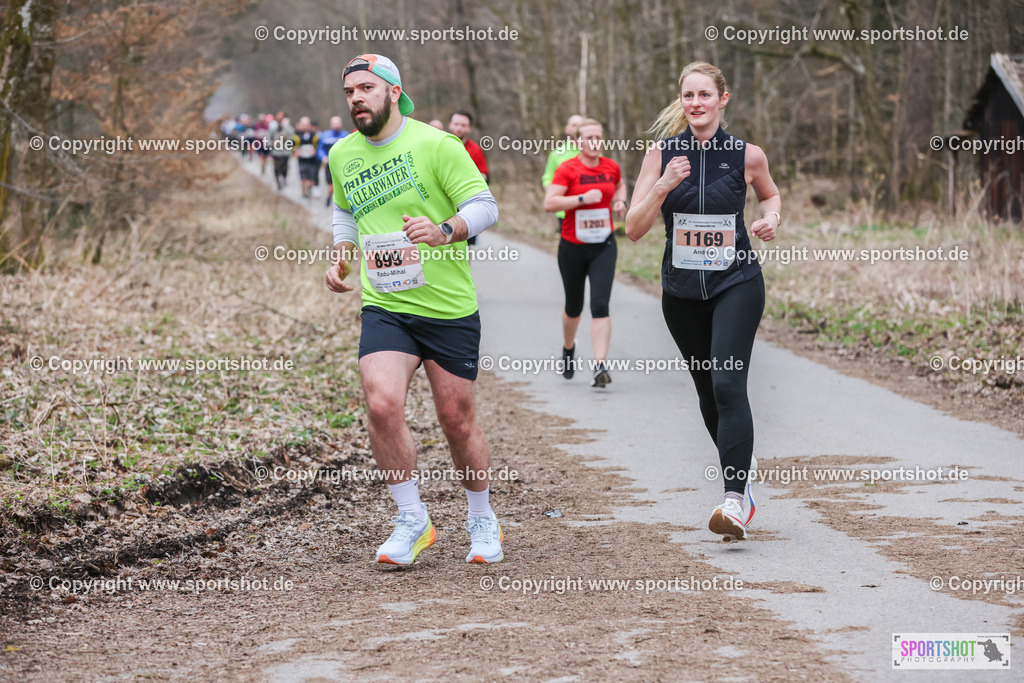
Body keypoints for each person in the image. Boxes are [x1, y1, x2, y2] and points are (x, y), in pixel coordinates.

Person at [325, 54, 503, 565]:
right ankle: (412, 519)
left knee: (456, 418)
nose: (356, 98)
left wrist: (444, 230)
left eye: (365, 88)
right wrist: (341, 256)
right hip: (386, 305)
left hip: (447, 306)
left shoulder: (436, 144)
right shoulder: (342, 154)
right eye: (349, 91)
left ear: (392, 90)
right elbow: (344, 208)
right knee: (381, 403)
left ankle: (481, 517)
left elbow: (485, 205)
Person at [625, 61, 780, 541]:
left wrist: (771, 220)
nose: (696, 103)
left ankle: (734, 501)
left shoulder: (747, 155)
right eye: (688, 95)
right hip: (682, 292)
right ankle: (742, 468)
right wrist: (663, 184)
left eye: (705, 95)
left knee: (729, 384)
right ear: (681, 101)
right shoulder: (661, 154)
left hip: (737, 281)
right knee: (708, 391)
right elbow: (633, 229)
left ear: (722, 99)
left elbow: (771, 196)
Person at [543, 119, 626, 388]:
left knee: (600, 304)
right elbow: (550, 202)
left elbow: (620, 184)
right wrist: (581, 199)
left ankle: (600, 365)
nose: (594, 142)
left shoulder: (610, 166)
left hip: (604, 244)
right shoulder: (568, 169)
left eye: (598, 137)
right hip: (572, 247)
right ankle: (568, 348)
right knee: (574, 305)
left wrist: (620, 201)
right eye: (588, 137)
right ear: (577, 142)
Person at [447, 110, 489, 245]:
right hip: (444, 201)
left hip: (466, 203)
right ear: (450, 125)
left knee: (465, 243)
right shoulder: (439, 144)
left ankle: (466, 267)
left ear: (469, 128)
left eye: (463, 125)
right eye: (456, 124)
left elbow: (484, 175)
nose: (459, 128)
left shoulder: (475, 149)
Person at [542, 114, 584, 233]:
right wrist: (553, 196)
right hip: (564, 211)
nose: (577, 128)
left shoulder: (591, 153)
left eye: (580, 125)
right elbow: (547, 178)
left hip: (589, 209)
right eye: (574, 125)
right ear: (567, 129)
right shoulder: (556, 154)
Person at [318, 116, 349, 206]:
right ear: (331, 124)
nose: (336, 126)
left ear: (341, 124)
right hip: (329, 165)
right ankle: (330, 195)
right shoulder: (325, 136)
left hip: (343, 165)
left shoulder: (346, 136)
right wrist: (323, 157)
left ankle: (341, 200)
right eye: (334, 124)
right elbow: (320, 149)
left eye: (338, 123)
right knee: (331, 184)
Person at [292, 116, 320, 198]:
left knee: (312, 176)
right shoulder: (296, 136)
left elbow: (319, 146)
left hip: (312, 160)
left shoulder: (314, 135)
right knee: (303, 177)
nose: (305, 126)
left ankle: (311, 189)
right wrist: (295, 151)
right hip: (302, 159)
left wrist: (315, 151)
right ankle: (304, 193)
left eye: (306, 124)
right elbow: (292, 146)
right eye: (303, 124)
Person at [269, 112, 294, 191]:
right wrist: (271, 143)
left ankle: (284, 178)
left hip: (285, 151)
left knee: (284, 167)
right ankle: (278, 183)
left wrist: (286, 137)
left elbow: (293, 140)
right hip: (276, 151)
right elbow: (268, 138)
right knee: (276, 168)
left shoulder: (289, 128)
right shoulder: (273, 128)